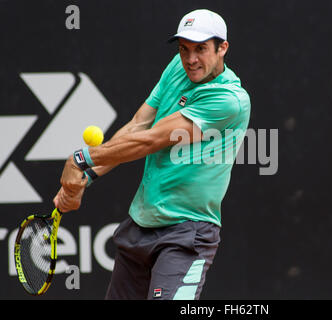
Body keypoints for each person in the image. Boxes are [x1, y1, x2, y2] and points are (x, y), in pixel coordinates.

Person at [53, 8, 251, 300]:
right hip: (141, 223)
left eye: (201, 49)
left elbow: (151, 140)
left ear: (223, 48)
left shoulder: (229, 100)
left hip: (186, 234)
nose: (191, 59)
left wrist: (81, 159)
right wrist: (87, 176)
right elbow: (138, 125)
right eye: (184, 49)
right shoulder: (177, 67)